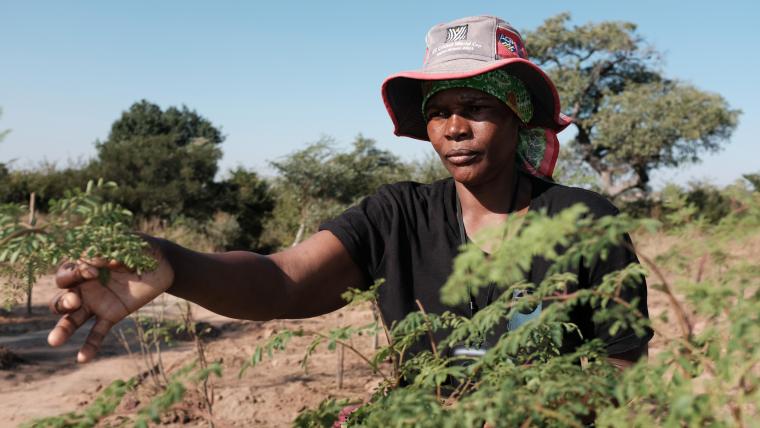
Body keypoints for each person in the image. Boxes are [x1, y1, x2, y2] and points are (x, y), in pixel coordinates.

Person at [47, 16, 651, 369]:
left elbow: (619, 366)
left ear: (519, 115)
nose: (454, 127)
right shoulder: (397, 217)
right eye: (438, 111)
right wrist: (174, 263)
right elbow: (282, 279)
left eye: (476, 107)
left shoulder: (581, 219)